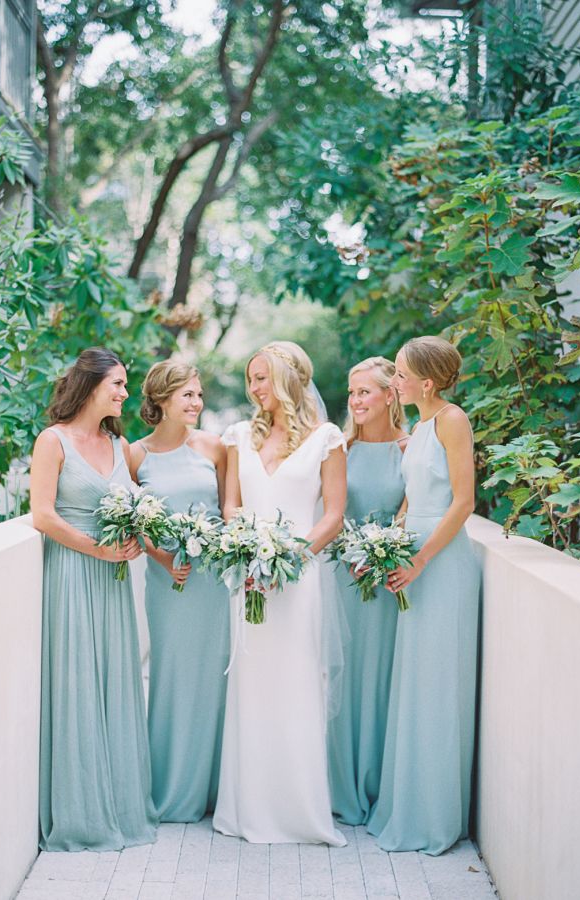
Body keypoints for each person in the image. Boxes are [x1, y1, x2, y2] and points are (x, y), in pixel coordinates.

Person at [213, 340, 347, 846]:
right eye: (250, 379)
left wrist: (288, 560)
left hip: (297, 580)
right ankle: (246, 808)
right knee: (250, 685)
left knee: (295, 683)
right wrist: (247, 552)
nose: (253, 388)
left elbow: (332, 515)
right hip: (247, 578)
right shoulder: (237, 436)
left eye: (261, 377)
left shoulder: (327, 439)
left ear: (289, 378)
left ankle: (298, 812)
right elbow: (231, 505)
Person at [30, 347, 157, 851]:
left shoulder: (117, 441)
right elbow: (42, 515)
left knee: (115, 682)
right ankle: (82, 813)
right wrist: (97, 550)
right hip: (73, 574)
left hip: (114, 581)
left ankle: (121, 804)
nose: (126, 393)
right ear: (91, 385)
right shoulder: (52, 441)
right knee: (79, 683)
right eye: (119, 384)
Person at [367, 335, 480, 856]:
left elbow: (462, 502)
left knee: (438, 684)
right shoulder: (419, 426)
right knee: (413, 681)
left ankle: (434, 816)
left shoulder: (453, 420)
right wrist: (388, 543)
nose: (395, 381)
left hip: (441, 562)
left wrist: (419, 559)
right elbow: (413, 496)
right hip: (410, 559)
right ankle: (406, 804)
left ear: (427, 383)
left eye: (401, 374)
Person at [129, 360, 229, 822]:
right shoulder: (134, 456)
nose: (196, 403)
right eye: (187, 395)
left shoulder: (215, 447)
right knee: (172, 677)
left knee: (216, 678)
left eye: (199, 395)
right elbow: (129, 519)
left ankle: (216, 789)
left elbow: (231, 513)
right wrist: (163, 557)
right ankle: (170, 788)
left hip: (214, 581)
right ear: (162, 399)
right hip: (168, 582)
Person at [327, 357, 408, 826]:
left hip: (387, 578)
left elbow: (410, 508)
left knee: (381, 679)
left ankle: (378, 783)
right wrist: (350, 551)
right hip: (344, 577)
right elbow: (329, 509)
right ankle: (340, 785)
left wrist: (381, 553)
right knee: (345, 675)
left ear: (390, 395)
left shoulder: (410, 448)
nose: (355, 401)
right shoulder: (341, 448)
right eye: (352, 393)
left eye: (365, 392)